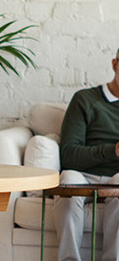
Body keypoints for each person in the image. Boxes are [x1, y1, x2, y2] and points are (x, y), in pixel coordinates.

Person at [54, 49, 119, 261]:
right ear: (115, 64)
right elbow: (69, 155)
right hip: (82, 173)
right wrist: (114, 150)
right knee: (68, 181)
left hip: (117, 176)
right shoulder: (85, 100)